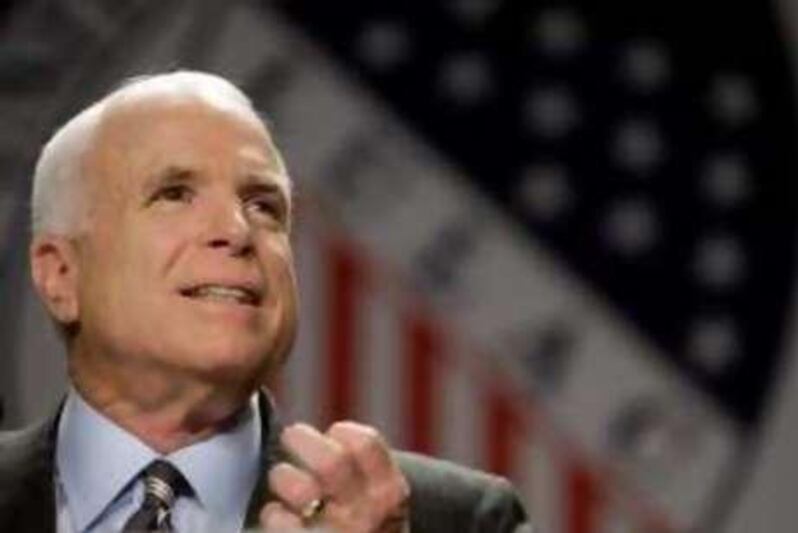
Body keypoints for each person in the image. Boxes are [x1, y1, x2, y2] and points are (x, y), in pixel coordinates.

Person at [0, 71, 532, 532]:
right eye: (174, 194)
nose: (236, 231)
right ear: (60, 274)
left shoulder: (462, 521)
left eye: (263, 205)